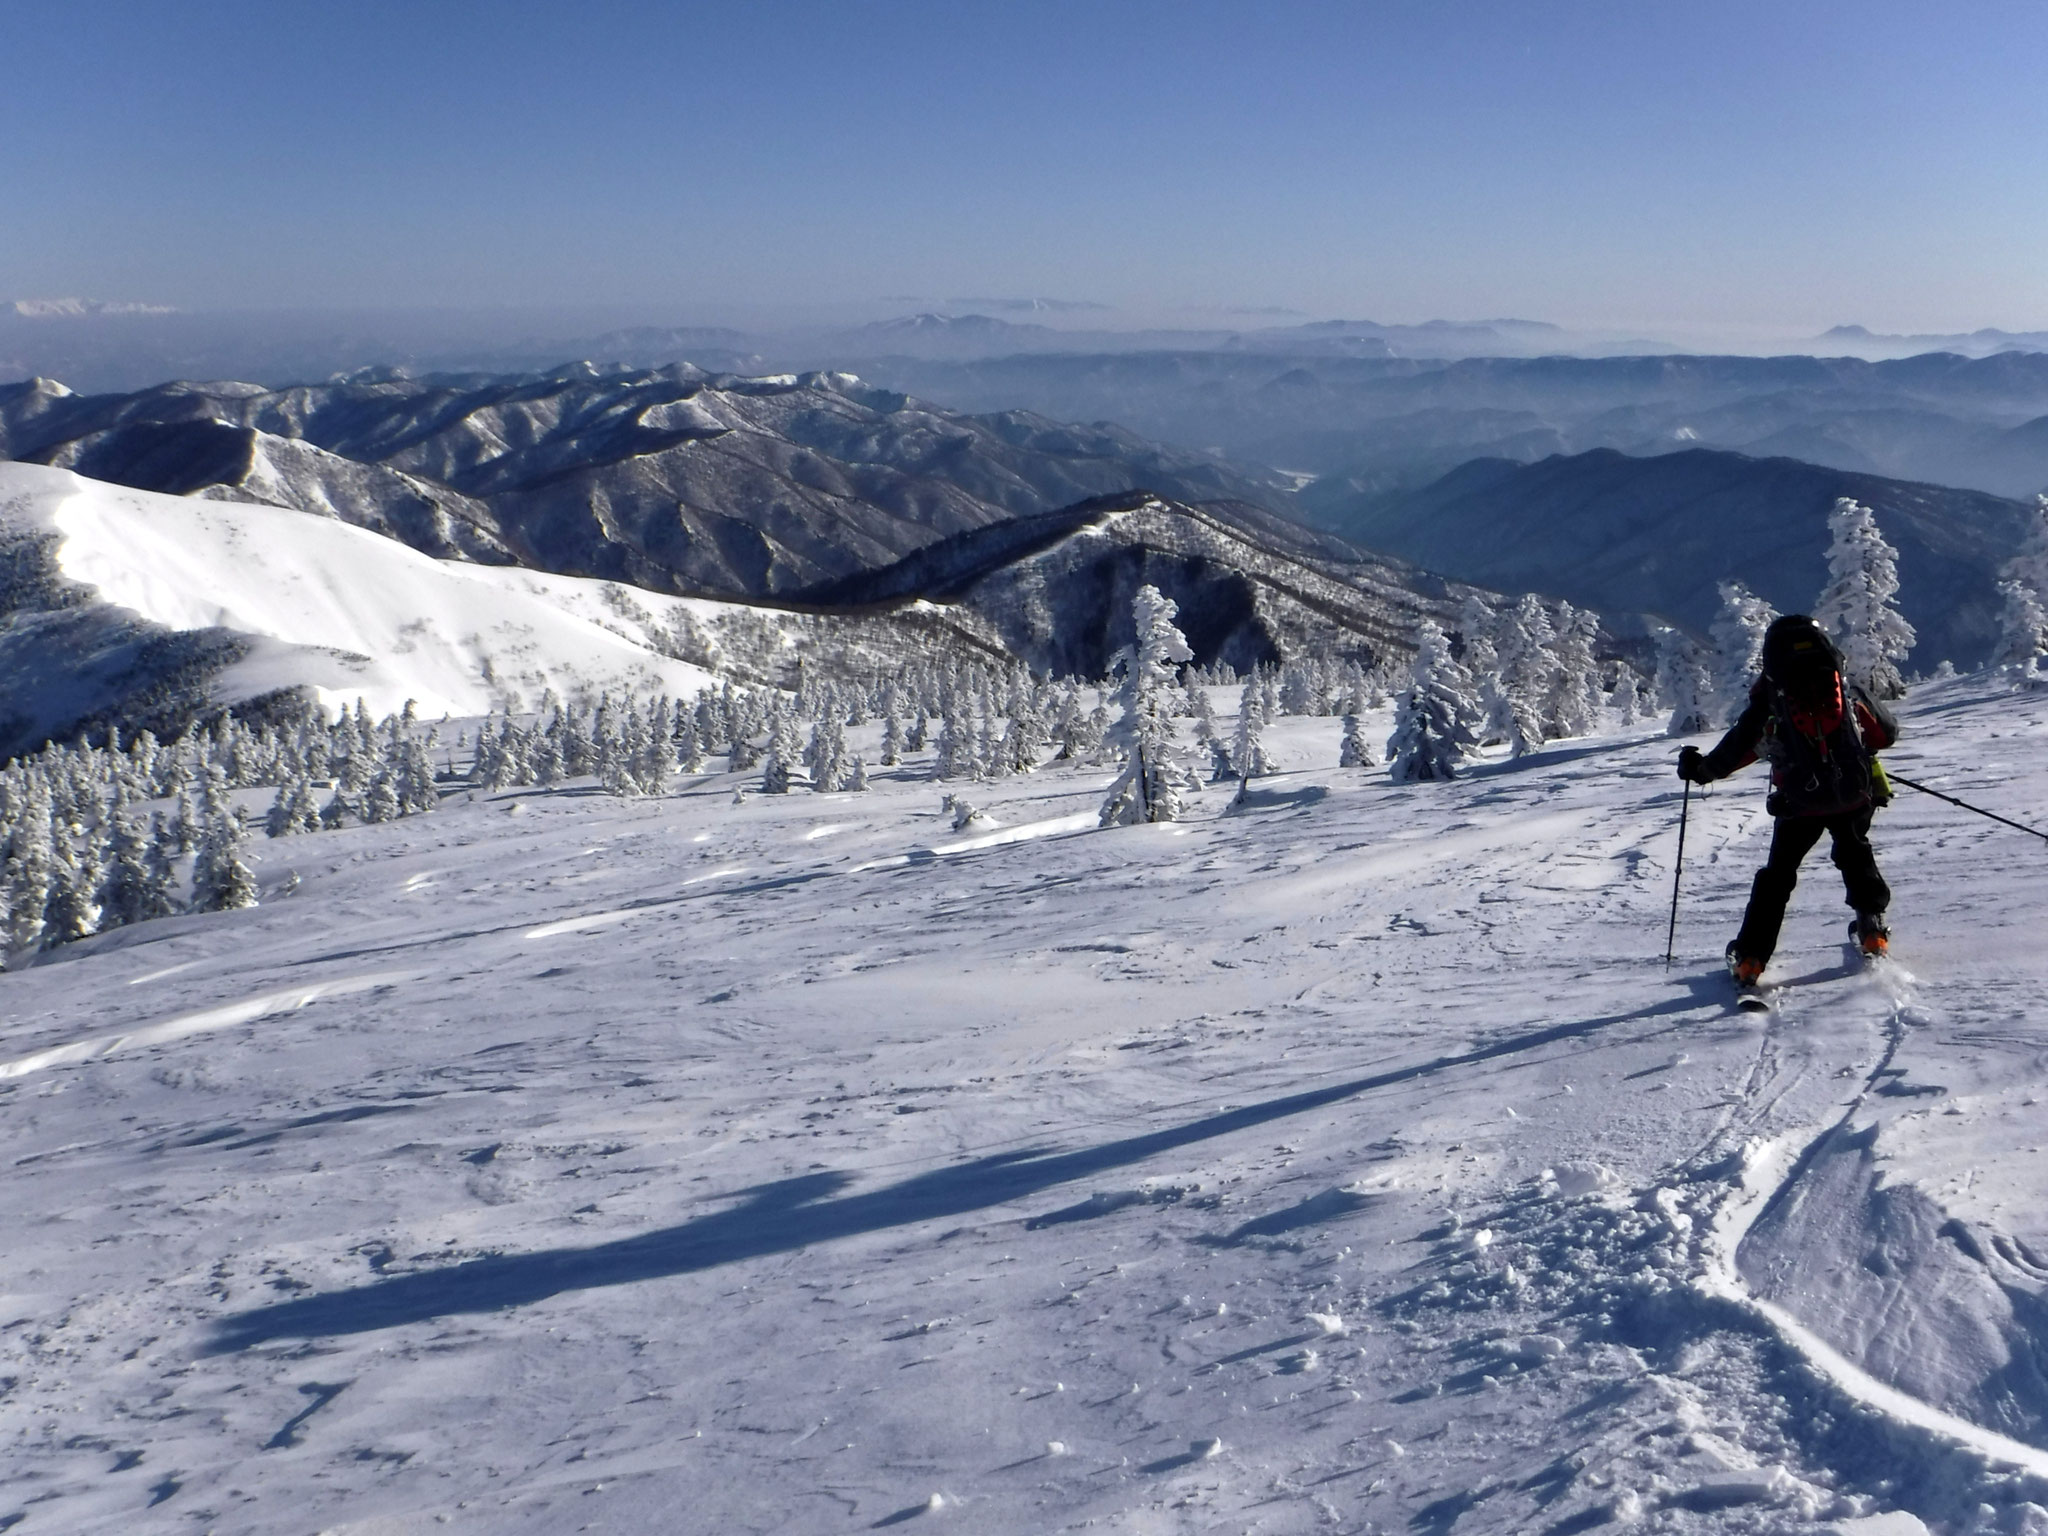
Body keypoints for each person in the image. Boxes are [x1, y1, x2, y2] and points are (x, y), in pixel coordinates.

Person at [1677, 614, 1899, 985]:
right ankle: (1872, 929)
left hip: (1800, 802)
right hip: (1852, 793)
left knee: (1778, 876)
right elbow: (1886, 734)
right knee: (1854, 850)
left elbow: (1741, 747)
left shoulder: (1773, 696)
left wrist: (1700, 770)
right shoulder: (1843, 686)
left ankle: (1751, 959)